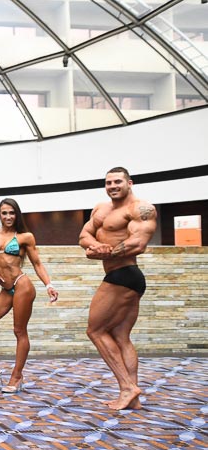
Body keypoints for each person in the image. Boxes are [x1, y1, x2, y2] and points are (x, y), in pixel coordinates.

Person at [79, 167, 156, 411]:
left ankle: (127, 387)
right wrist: (96, 246)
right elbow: (84, 236)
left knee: (95, 330)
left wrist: (106, 253)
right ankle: (133, 398)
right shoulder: (100, 209)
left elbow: (138, 243)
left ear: (129, 183)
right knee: (121, 336)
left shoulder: (141, 209)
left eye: (118, 182)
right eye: (109, 182)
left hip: (124, 275)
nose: (112, 186)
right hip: (123, 276)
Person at [0, 198, 58, 394]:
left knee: (19, 331)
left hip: (22, 285)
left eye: (12, 213)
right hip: (6, 289)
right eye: (4, 213)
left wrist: (49, 285)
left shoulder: (25, 237)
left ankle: (17, 376)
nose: (8, 216)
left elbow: (37, 264)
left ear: (17, 215)